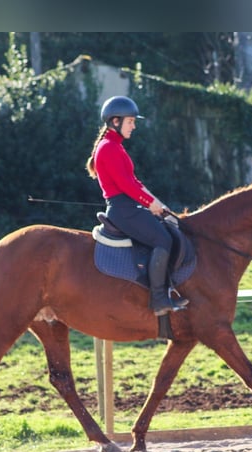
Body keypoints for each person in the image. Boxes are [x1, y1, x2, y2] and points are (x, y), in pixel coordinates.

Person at [86, 95, 188, 316]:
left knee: (166, 230)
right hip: (123, 209)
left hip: (129, 207)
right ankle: (159, 299)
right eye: (131, 121)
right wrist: (150, 203)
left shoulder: (115, 146)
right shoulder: (109, 148)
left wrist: (158, 204)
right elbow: (126, 185)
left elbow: (135, 182)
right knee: (163, 239)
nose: (134, 126)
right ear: (115, 122)